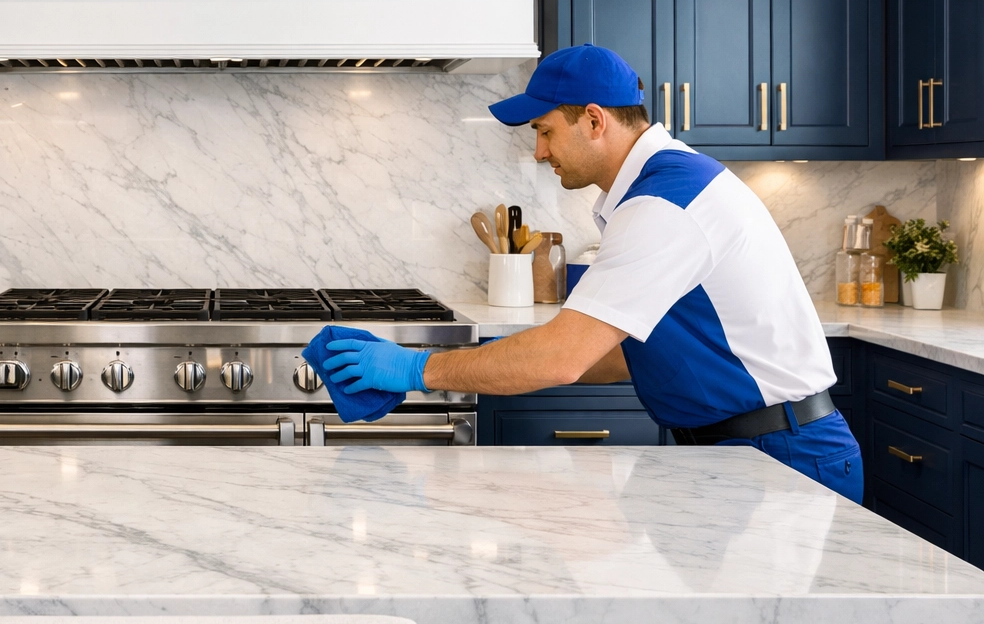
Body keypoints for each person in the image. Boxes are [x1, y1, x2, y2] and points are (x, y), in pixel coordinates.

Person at [321, 44, 864, 503]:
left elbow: (562, 358)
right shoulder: (658, 189)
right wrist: (498, 368)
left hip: (783, 457)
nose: (538, 152)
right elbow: (613, 352)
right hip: (741, 448)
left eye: (545, 131)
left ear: (595, 119)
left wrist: (417, 368)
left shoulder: (663, 204)